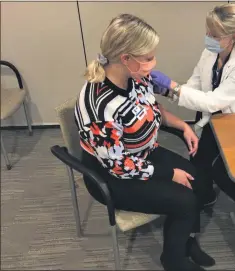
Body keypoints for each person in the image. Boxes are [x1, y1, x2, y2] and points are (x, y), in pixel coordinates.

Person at [74, 14, 215, 271]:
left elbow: (154, 108)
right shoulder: (100, 108)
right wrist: (169, 174)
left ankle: (184, 241)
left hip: (142, 153)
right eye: (148, 58)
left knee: (200, 182)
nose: (153, 63)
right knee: (184, 200)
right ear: (126, 59)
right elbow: (119, 166)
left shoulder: (135, 77)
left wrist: (183, 125)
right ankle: (173, 261)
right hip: (112, 175)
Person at [150, 3, 235, 233]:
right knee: (198, 162)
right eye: (208, 32)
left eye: (214, 35)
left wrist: (173, 87)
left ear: (234, 36)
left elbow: (213, 101)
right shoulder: (210, 52)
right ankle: (205, 196)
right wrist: (170, 91)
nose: (208, 37)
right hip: (213, 120)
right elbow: (196, 84)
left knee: (222, 172)